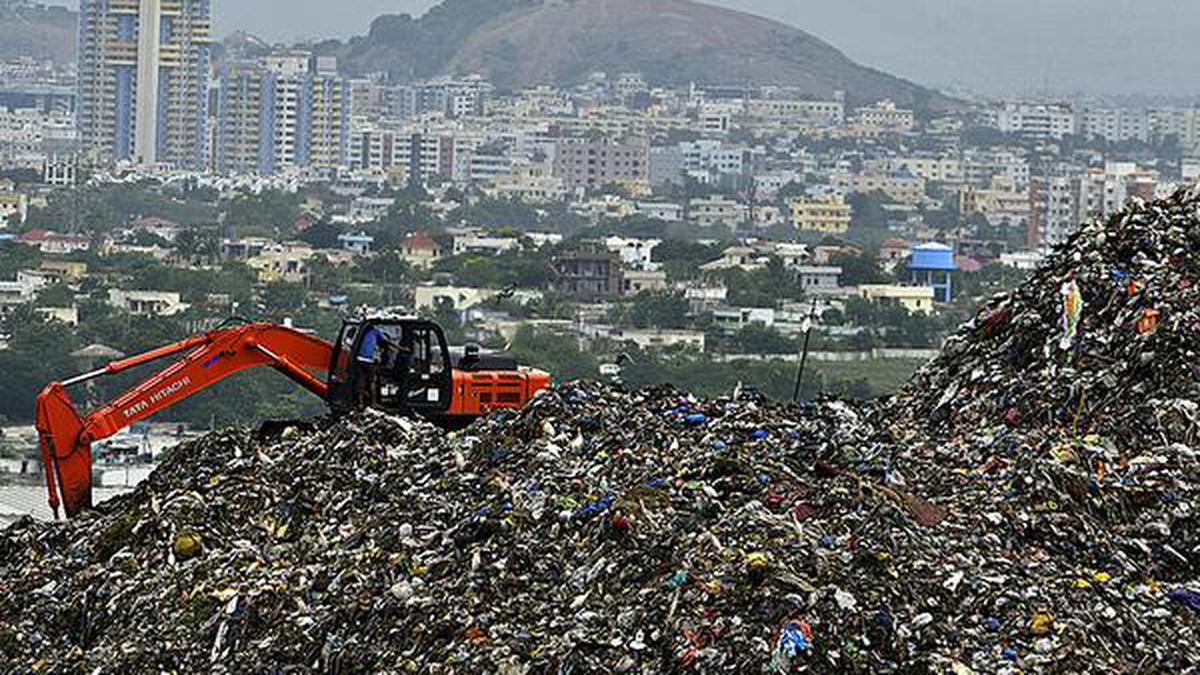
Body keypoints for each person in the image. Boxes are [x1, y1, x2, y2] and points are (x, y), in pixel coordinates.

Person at [356, 325, 386, 408]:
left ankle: (360, 403)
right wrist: (400, 348)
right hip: (369, 361)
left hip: (359, 360)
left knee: (361, 381)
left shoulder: (361, 331)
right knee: (372, 381)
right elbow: (386, 341)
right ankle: (374, 403)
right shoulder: (375, 332)